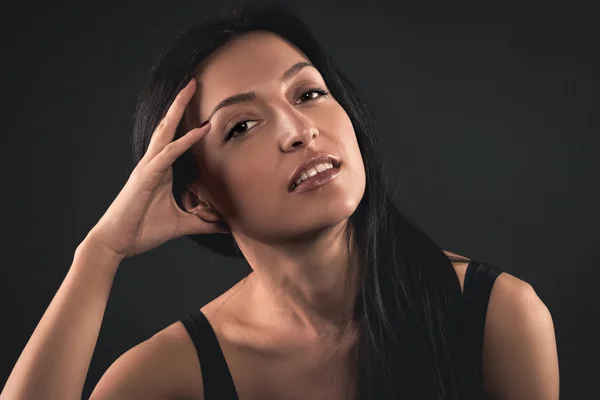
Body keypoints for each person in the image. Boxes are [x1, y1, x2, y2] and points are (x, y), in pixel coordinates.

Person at [2, 0, 559, 399]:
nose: (298, 131)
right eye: (242, 126)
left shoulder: (494, 314)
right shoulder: (167, 377)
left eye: (310, 93)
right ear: (199, 198)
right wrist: (99, 255)